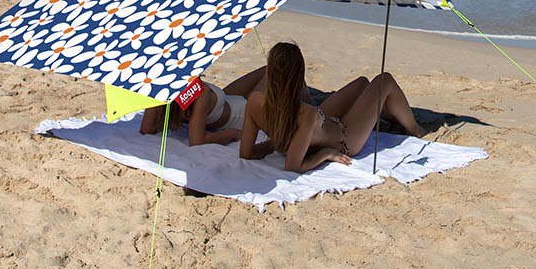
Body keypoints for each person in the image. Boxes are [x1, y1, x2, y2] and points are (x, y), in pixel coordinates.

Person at [240, 42, 425, 173]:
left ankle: (388, 116)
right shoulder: (306, 113)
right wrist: (325, 154)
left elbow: (246, 153)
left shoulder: (254, 102)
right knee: (385, 81)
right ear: (298, 77)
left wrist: (274, 144)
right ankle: (414, 128)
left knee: (361, 83)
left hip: (316, 129)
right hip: (344, 139)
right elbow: (293, 167)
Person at [140, 66, 267, 146]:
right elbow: (197, 141)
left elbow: (146, 129)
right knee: (269, 70)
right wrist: (231, 134)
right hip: (242, 112)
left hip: (227, 101)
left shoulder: (162, 89)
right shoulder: (200, 92)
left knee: (267, 69)